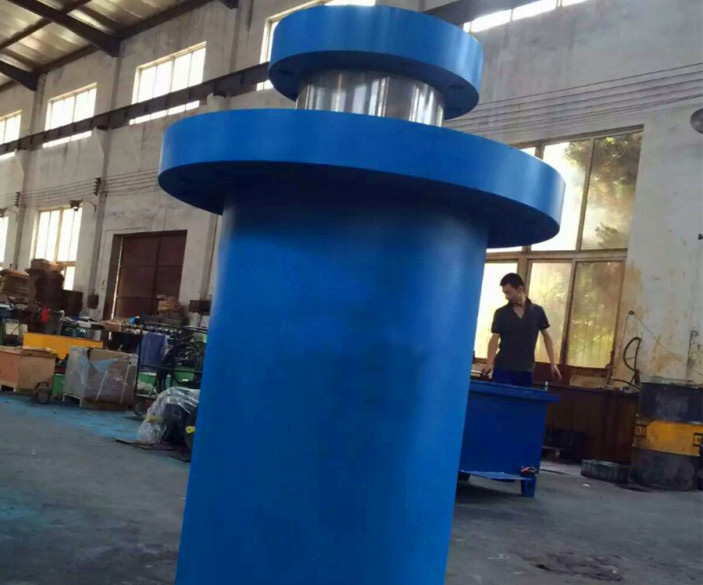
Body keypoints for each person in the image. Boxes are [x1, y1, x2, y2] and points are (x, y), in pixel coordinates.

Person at [481, 273, 561, 387]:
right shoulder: (501, 313)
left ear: (519, 289)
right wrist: (489, 363)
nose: (506, 296)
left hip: (526, 369)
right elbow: (494, 339)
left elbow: (546, 337)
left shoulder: (537, 311)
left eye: (508, 292)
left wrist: (553, 364)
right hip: (503, 368)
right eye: (504, 293)